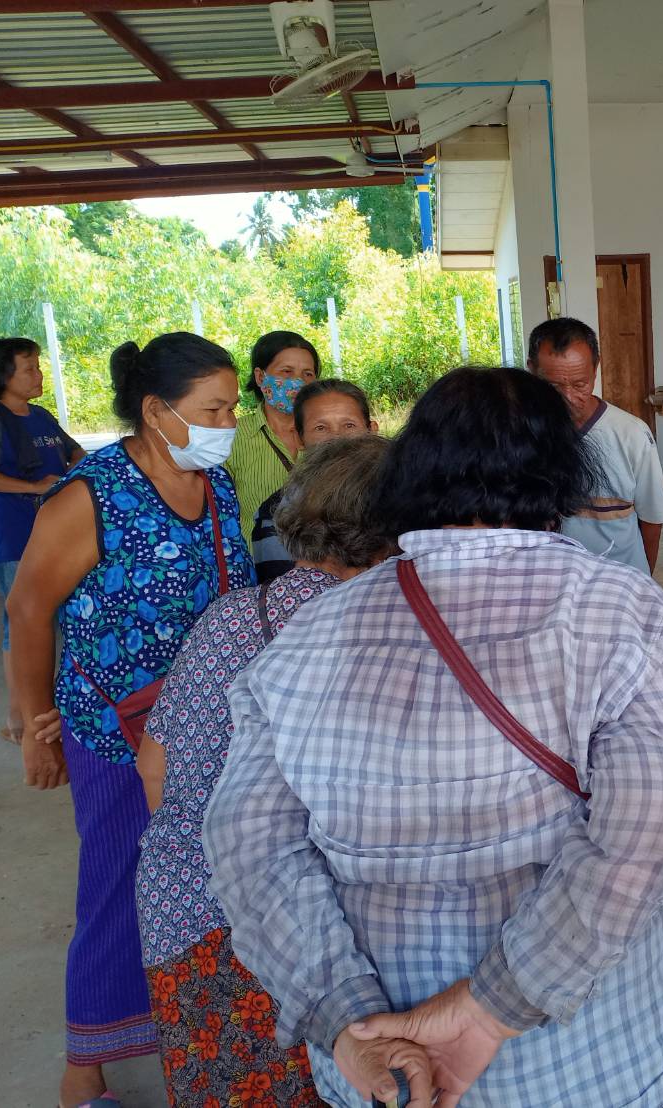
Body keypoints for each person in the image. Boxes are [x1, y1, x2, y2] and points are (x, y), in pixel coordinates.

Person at [205, 366, 663, 1108]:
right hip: (593, 1060)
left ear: (412, 472)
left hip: (379, 1071)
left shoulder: (307, 634)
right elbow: (648, 835)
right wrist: (491, 1009)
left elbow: (248, 845)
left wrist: (347, 1020)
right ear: (560, 477)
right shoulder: (629, 612)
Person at [6, 332, 255, 1108]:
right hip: (115, 735)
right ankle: (84, 1073)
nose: (228, 424)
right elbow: (28, 609)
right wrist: (35, 723)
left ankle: (197, 1037)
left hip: (210, 731)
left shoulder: (215, 486)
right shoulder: (92, 495)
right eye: (212, 410)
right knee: (116, 890)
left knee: (211, 886)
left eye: (232, 408)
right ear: (156, 411)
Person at [135, 435, 395, 1108]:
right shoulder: (377, 630)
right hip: (310, 929)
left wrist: (206, 859)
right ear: (390, 538)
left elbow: (153, 763)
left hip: (184, 911)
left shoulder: (230, 616)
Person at [0, 337, 83, 744]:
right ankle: (20, 718)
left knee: (63, 619)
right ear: (3, 375)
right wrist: (34, 486)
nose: (39, 374)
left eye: (38, 366)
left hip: (57, 533)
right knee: (23, 622)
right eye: (29, 368)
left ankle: (55, 710)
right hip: (13, 534)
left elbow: (75, 453)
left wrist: (75, 477)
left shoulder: (40, 416)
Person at [527, 317, 663, 573]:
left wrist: (642, 581)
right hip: (550, 580)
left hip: (617, 580)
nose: (567, 398)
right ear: (531, 370)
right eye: (553, 387)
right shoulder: (520, 433)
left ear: (595, 369)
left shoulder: (632, 434)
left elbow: (652, 520)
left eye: (580, 384)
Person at [250, 379, 378, 582]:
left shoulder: (404, 496)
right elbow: (282, 592)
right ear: (298, 439)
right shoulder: (275, 514)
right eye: (320, 428)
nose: (337, 438)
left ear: (372, 430)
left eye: (349, 425)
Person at [225, 330, 321, 547]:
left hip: (322, 562)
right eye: (287, 371)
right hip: (259, 562)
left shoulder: (329, 433)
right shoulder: (233, 436)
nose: (298, 382)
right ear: (260, 377)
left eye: (308, 374)